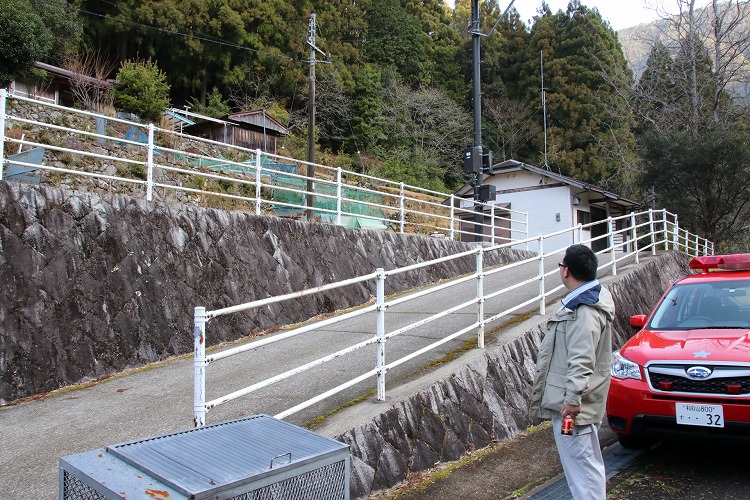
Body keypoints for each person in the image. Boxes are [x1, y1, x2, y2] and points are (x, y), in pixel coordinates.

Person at [529, 244, 615, 500]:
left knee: (583, 469)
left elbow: (581, 359)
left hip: (576, 407)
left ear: (566, 271)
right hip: (578, 402)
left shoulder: (584, 310)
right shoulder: (589, 300)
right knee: (584, 464)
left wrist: (571, 400)